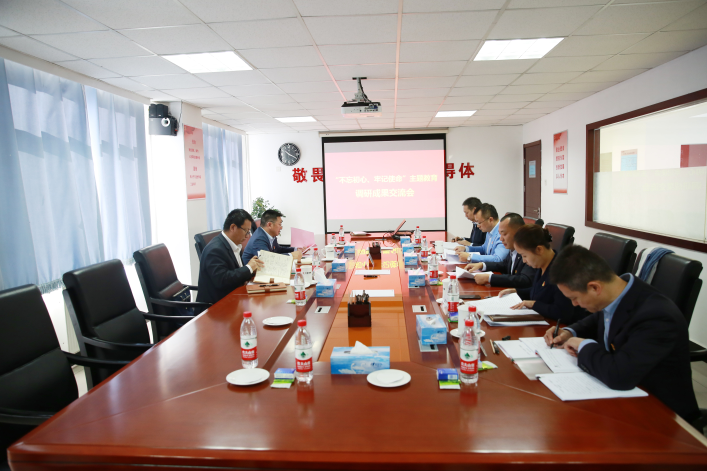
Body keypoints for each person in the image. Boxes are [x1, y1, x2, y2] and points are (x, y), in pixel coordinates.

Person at [543, 245, 700, 425]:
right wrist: (570, 331)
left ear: (594, 287)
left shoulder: (657, 316)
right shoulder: (618, 293)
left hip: (661, 416)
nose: (574, 304)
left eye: (574, 298)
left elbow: (619, 376)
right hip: (623, 398)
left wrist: (583, 345)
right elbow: (598, 318)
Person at [498, 224, 587, 323]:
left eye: (525, 256)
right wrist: (516, 291)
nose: (524, 261)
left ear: (539, 250)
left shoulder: (562, 271)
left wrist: (534, 304)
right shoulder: (542, 265)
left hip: (561, 327)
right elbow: (539, 292)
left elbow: (562, 313)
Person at [197, 209, 264, 305]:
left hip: (234, 298)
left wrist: (252, 270)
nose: (247, 236)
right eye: (246, 231)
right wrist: (248, 268)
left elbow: (235, 272)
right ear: (233, 227)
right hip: (216, 306)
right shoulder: (215, 250)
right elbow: (222, 280)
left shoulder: (235, 244)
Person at [463, 213, 535, 288]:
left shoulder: (528, 250)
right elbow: (504, 265)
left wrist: (490, 278)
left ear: (518, 232)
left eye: (504, 234)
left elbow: (524, 280)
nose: (501, 239)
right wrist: (482, 265)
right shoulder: (512, 250)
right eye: (500, 234)